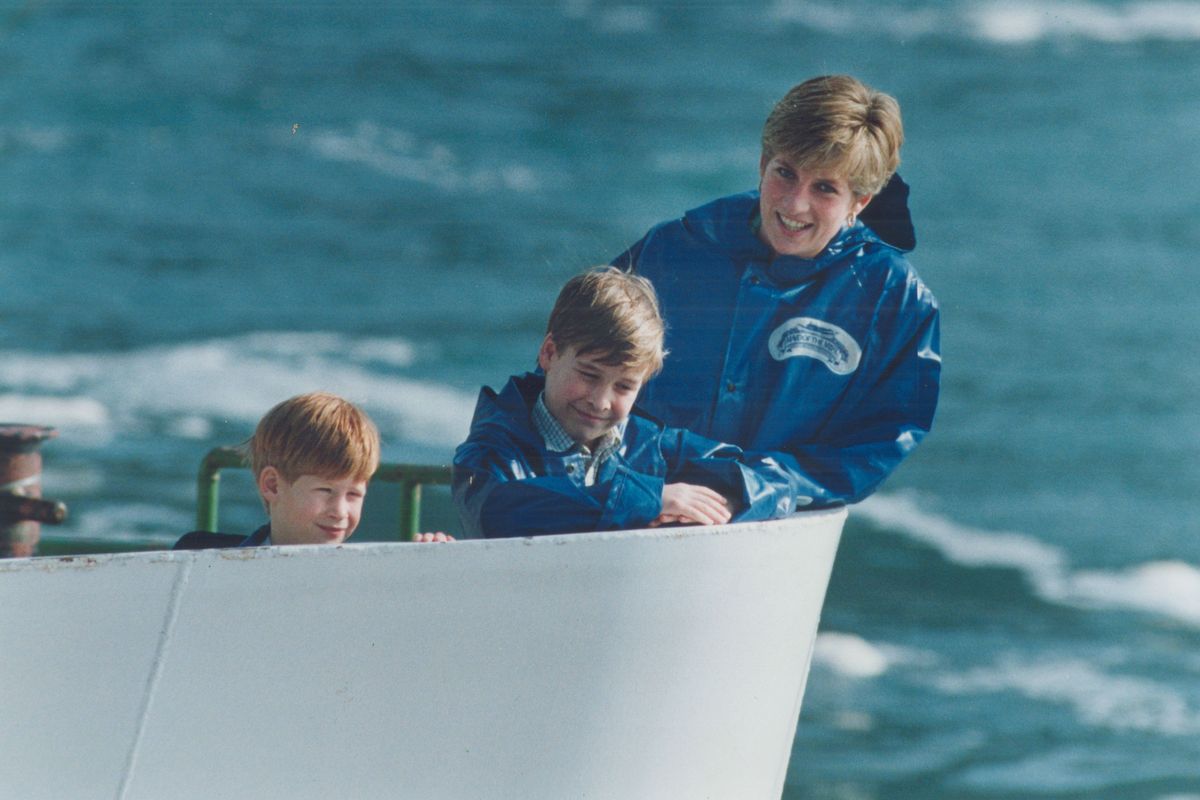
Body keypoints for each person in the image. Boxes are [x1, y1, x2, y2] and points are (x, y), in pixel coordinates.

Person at [613, 74, 940, 509]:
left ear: (859, 202)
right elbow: (573, 377)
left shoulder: (894, 299)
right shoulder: (673, 248)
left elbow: (876, 442)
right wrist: (648, 488)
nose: (794, 204)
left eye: (824, 187)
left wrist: (752, 487)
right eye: (785, 173)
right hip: (635, 504)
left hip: (769, 531)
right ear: (763, 162)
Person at [452, 266, 797, 539]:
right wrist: (649, 500)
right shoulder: (492, 449)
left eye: (624, 386)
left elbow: (776, 479)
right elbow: (499, 510)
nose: (601, 401)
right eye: (589, 375)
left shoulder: (650, 446)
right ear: (549, 353)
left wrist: (723, 504)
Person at [174, 392, 384, 549]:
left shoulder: (372, 576)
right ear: (272, 485)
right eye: (325, 490)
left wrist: (413, 561)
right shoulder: (199, 555)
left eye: (354, 494)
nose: (339, 512)